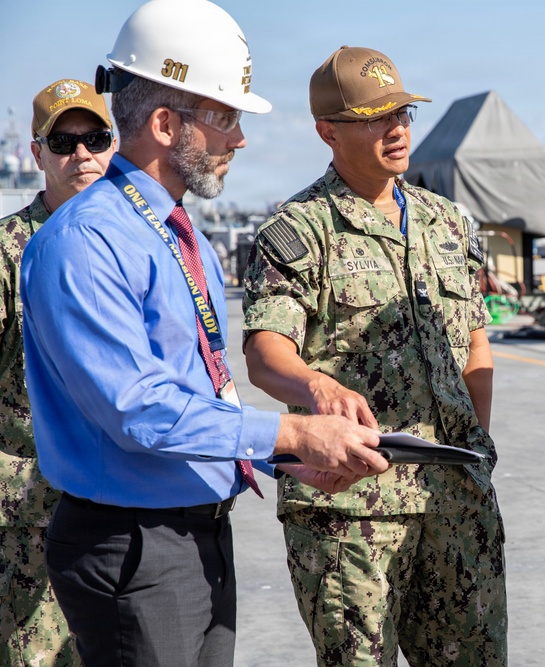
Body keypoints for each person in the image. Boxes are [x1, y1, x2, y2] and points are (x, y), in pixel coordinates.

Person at [19, 3, 389, 666]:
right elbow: (138, 408)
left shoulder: (175, 235)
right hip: (133, 545)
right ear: (165, 124)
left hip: (194, 534)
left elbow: (196, 394)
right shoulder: (84, 242)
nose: (238, 140)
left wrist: (282, 459)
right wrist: (293, 430)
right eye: (225, 118)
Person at [241, 45, 507, 666]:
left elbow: (472, 339)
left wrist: (477, 447)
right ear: (327, 131)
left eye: (405, 114)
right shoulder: (300, 229)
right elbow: (264, 351)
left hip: (454, 497)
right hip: (353, 511)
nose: (398, 129)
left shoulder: (449, 223)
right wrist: (313, 386)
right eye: (376, 118)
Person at [0, 77, 115, 667]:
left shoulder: (136, 240)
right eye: (64, 143)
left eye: (95, 138)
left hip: (122, 508)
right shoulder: (9, 251)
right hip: (31, 520)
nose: (82, 156)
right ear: (37, 151)